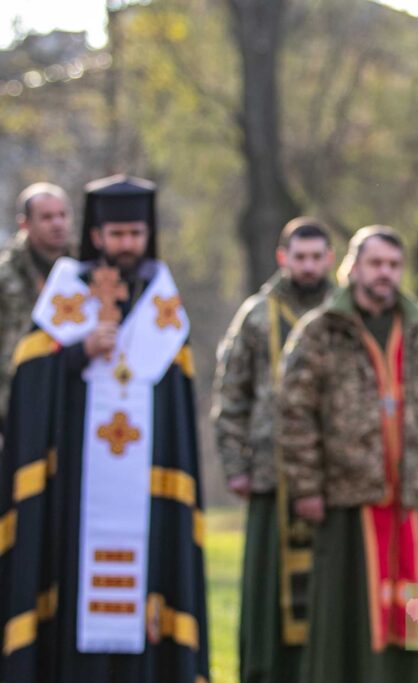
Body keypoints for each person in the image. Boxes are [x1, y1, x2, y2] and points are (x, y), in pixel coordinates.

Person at [0, 174, 209, 681]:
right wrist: (76, 353)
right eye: (117, 235)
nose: (127, 245)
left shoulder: (163, 301)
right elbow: (27, 375)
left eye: (135, 234)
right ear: (97, 236)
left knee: (149, 581)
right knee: (71, 582)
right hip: (74, 480)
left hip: (146, 484)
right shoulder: (66, 294)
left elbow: (176, 400)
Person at [278, 225, 418, 682]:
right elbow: (295, 412)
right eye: (376, 264)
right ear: (354, 267)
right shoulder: (321, 329)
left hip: (412, 492)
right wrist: (306, 486)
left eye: (393, 266)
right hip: (348, 493)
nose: (385, 274)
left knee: (413, 608)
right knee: (350, 611)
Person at [211, 217, 335, 683]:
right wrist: (234, 463)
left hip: (332, 475)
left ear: (330, 259)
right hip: (269, 473)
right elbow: (231, 394)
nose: (307, 266)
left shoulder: (343, 312)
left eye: (316, 257)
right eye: (298, 257)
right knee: (269, 591)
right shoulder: (257, 314)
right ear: (283, 258)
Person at [0, 182, 72, 435]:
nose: (57, 224)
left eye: (62, 215)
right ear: (25, 224)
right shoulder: (6, 274)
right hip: (13, 404)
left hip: (67, 402)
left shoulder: (82, 272)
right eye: (47, 217)